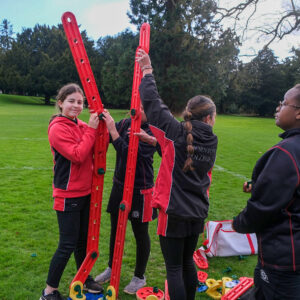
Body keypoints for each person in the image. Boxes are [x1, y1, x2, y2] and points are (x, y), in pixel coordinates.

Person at [136, 49, 218, 300]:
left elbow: (151, 102)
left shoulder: (177, 132)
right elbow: (183, 159)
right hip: (197, 211)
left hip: (173, 212)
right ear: (209, 118)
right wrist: (155, 141)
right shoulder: (211, 139)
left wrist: (147, 70)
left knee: (174, 267)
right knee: (186, 263)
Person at [232, 84, 300, 300]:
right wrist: (259, 185)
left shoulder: (286, 152)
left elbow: (262, 208)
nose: (278, 108)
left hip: (283, 259)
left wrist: (239, 223)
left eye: (284, 103)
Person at [40, 83, 104, 300]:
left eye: (80, 102)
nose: (77, 106)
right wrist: (93, 130)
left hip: (87, 192)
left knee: (83, 242)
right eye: (71, 101)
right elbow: (77, 154)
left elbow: (97, 143)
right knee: (67, 243)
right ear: (60, 103)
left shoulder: (81, 125)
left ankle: (84, 279)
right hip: (67, 194)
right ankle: (48, 291)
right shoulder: (58, 127)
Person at [95, 106, 159, 294]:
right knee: (115, 229)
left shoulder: (151, 132)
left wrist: (113, 130)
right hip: (119, 185)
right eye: (138, 106)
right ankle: (111, 268)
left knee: (140, 233)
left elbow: (130, 154)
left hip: (141, 190)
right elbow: (105, 138)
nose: (140, 110)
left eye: (145, 107)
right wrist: (102, 123)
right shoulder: (125, 123)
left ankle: (139, 276)